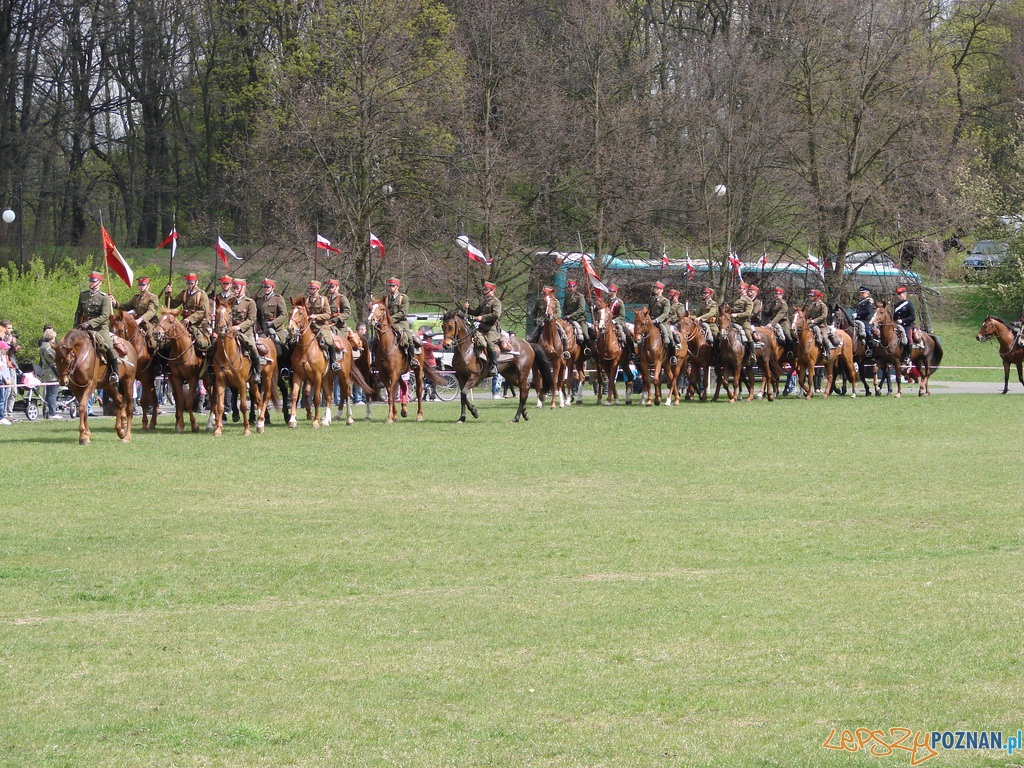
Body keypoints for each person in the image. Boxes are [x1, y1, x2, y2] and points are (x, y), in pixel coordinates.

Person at [75, 271, 120, 384]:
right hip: (84, 328)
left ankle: (115, 373)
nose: (91, 283)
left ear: (100, 283)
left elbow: (105, 316)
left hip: (100, 328)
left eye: (93, 281)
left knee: (109, 347)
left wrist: (90, 323)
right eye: (90, 280)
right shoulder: (83, 295)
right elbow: (78, 313)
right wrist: (75, 328)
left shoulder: (104, 298)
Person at [462, 281, 503, 375]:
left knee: (489, 343)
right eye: (484, 289)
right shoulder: (484, 301)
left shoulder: (496, 302)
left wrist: (483, 317)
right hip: (481, 327)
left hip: (491, 328)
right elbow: (476, 312)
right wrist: (468, 309)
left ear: (492, 290)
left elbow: (496, 315)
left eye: (486, 289)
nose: (484, 291)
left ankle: (494, 365)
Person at [164, 273, 211, 354]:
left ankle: (205, 363)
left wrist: (189, 319)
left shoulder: (202, 295)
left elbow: (203, 311)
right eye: (188, 283)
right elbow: (172, 305)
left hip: (198, 324)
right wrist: (168, 294)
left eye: (191, 283)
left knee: (201, 344)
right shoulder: (184, 293)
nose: (189, 285)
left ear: (196, 282)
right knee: (167, 342)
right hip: (184, 323)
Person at [114, 276, 160, 351]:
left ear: (148, 285)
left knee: (152, 342)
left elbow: (151, 311)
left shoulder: (152, 297)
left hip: (149, 322)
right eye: (140, 285)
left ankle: (155, 357)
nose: (141, 287)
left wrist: (140, 319)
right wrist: (114, 303)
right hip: (136, 321)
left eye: (143, 285)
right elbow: (126, 306)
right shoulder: (136, 298)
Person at [230, 278, 261, 384]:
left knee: (252, 347)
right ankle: (211, 369)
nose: (235, 290)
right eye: (234, 288)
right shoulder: (231, 302)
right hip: (230, 332)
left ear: (243, 289)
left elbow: (251, 319)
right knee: (215, 345)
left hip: (245, 332)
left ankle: (257, 372)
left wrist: (239, 327)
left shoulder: (250, 302)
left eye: (237, 288)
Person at [305, 280, 340, 371]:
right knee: (293, 341)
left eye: (313, 288)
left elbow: (328, 314)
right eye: (310, 288)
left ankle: (334, 363)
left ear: (318, 289)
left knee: (329, 342)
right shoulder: (306, 300)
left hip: (321, 326)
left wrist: (316, 316)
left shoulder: (323, 299)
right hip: (309, 327)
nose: (311, 290)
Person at [385, 277, 421, 367]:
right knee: (374, 339)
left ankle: (412, 359)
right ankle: (375, 359)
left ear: (397, 286)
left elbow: (403, 312)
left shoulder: (403, 298)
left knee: (408, 338)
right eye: (389, 286)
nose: (391, 288)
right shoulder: (386, 299)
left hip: (401, 324)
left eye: (393, 286)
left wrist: (390, 319)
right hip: (388, 324)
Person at [892, 285, 920, 365]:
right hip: (898, 326)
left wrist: (903, 320)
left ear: (905, 294)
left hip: (907, 326)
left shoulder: (909, 304)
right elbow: (894, 317)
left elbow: (912, 317)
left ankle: (908, 355)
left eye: (900, 295)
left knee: (907, 339)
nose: (898, 296)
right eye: (898, 295)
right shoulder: (896, 306)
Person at [648, 281, 676, 362]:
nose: (655, 289)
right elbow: (649, 311)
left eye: (657, 288)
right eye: (655, 288)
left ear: (661, 290)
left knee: (670, 337)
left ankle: (672, 356)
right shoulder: (651, 299)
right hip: (651, 321)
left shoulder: (665, 301)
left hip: (661, 322)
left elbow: (665, 313)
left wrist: (657, 320)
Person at [730, 283, 759, 357]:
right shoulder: (735, 299)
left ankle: (752, 354)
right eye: (738, 288)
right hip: (732, 321)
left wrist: (737, 315)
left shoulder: (748, 300)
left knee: (748, 335)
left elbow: (748, 313)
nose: (738, 289)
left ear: (745, 290)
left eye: (740, 288)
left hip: (743, 321)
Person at [38, 327, 61, 419]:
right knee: (52, 394)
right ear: (52, 338)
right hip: (52, 374)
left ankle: (47, 411)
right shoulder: (49, 349)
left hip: (46, 372)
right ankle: (52, 412)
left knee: (48, 394)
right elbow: (54, 362)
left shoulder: (43, 348)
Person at [607, 284, 634, 358]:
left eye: (610, 291)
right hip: (607, 323)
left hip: (617, 322)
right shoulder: (607, 301)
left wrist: (614, 321)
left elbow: (622, 316)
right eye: (608, 290)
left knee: (627, 335)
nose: (608, 292)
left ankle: (632, 353)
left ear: (615, 292)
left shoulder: (619, 302)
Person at [805, 289, 835, 354]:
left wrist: (814, 320)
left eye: (813, 296)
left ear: (818, 297)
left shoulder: (823, 306)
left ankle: (827, 351)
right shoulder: (812, 305)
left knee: (824, 338)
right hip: (811, 325)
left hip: (821, 325)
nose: (811, 297)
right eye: (811, 296)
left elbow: (823, 316)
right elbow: (808, 315)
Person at [561, 280, 590, 345]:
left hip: (579, 318)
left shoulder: (580, 297)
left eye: (572, 287)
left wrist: (571, 315)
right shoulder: (567, 296)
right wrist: (565, 313)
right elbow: (564, 307)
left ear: (575, 287)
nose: (570, 288)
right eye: (569, 287)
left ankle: (588, 347)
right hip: (568, 318)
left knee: (585, 332)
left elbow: (581, 309)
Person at [418, 325, 443, 400]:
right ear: (427, 338)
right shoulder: (426, 344)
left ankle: (425, 396)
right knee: (434, 380)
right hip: (431, 364)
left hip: (424, 363)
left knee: (426, 380)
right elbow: (438, 348)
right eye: (430, 338)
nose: (431, 339)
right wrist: (443, 342)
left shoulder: (421, 343)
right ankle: (433, 395)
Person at [853, 285, 877, 351]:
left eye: (863, 293)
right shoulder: (861, 301)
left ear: (867, 292)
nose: (861, 294)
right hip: (858, 319)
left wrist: (858, 314)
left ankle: (870, 348)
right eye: (861, 293)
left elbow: (868, 311)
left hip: (865, 320)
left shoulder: (869, 300)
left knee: (867, 332)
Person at [0, 338, 13, 424]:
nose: (7, 349)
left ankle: (3, 415)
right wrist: (5, 379)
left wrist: (10, 378)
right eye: (5, 348)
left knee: (4, 399)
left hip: (6, 381)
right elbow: (1, 371)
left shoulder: (5, 357)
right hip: (1, 381)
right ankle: (1, 417)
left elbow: (7, 369)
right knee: (1, 400)